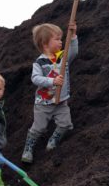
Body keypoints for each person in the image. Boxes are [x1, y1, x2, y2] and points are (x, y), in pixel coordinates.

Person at [21, 22, 78, 163]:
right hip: (44, 103)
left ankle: (53, 141)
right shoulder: (39, 63)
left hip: (61, 101)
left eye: (61, 38)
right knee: (38, 128)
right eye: (57, 39)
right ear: (45, 44)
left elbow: (74, 52)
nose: (61, 42)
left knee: (66, 124)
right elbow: (35, 78)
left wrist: (74, 35)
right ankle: (28, 149)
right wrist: (52, 81)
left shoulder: (62, 57)